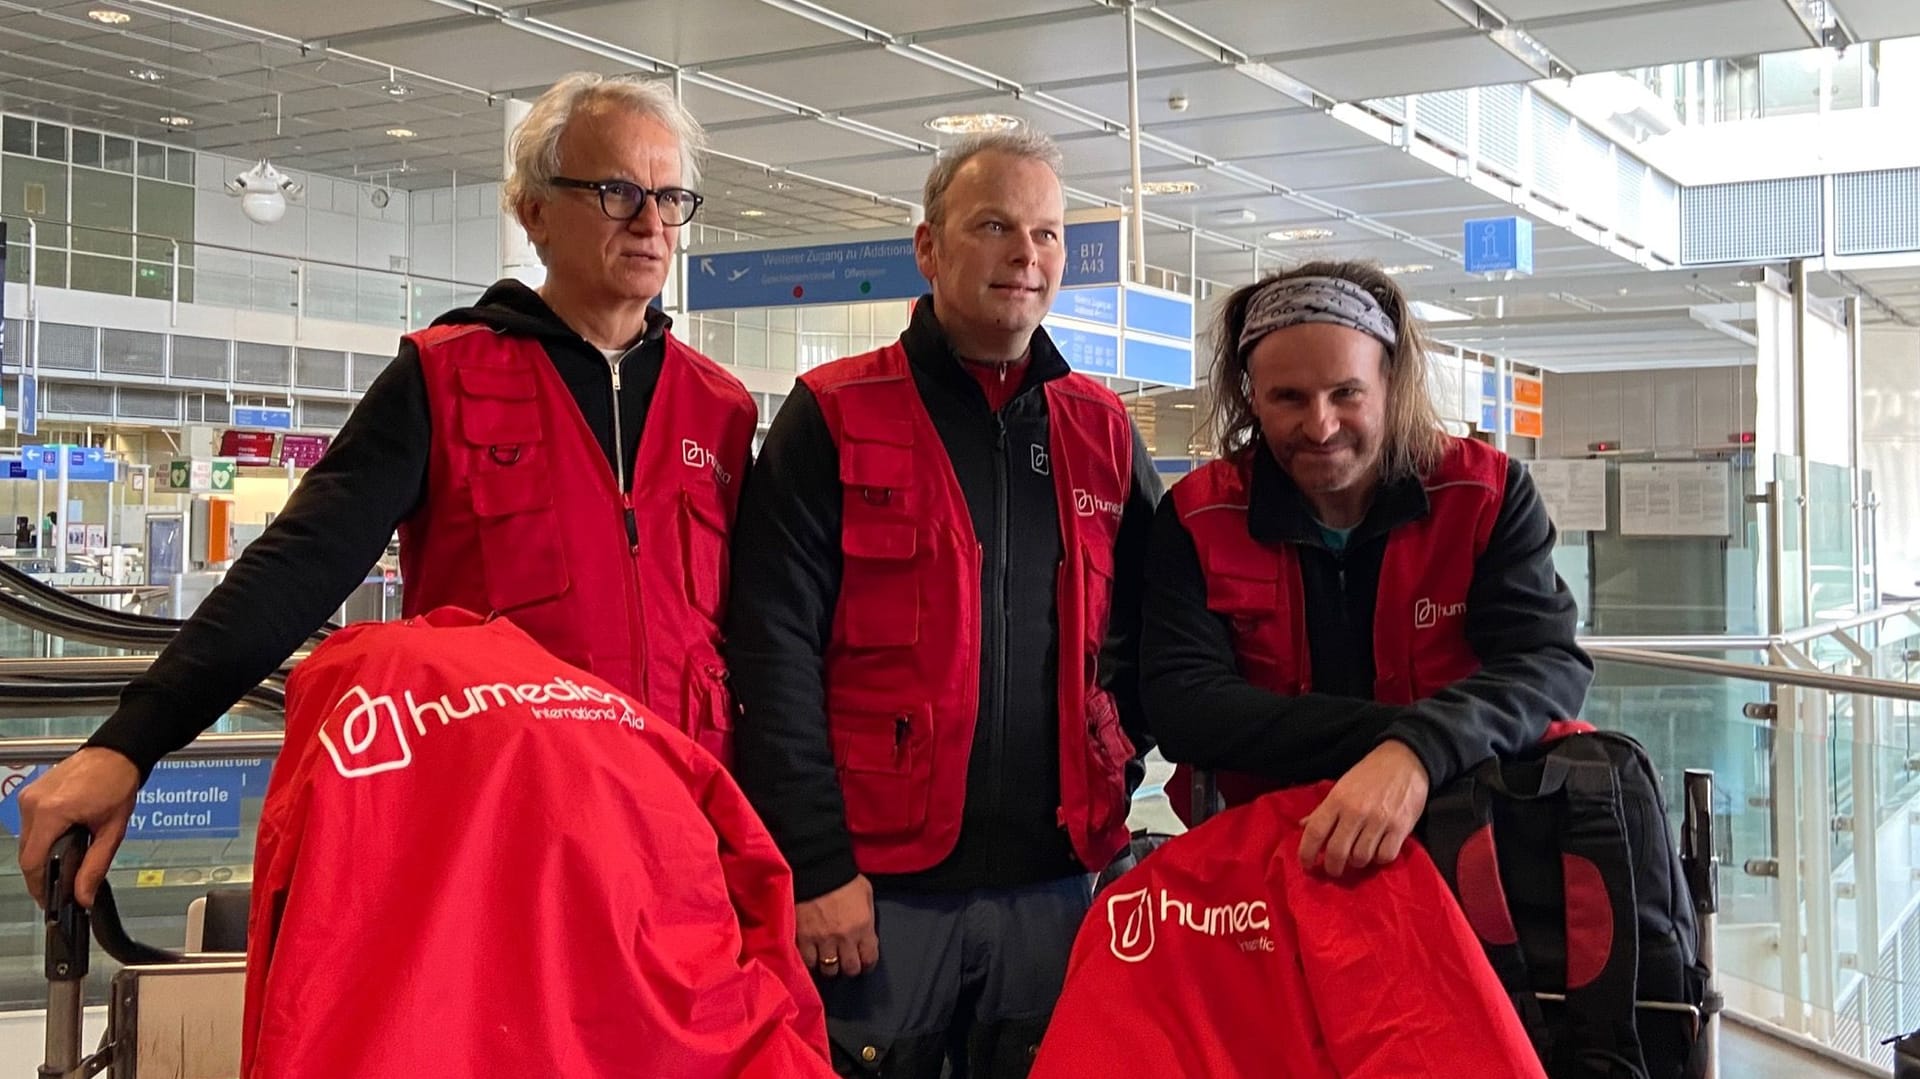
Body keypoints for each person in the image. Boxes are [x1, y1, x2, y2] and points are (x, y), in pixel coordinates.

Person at [16, 72, 755, 908]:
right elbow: (295, 569)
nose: (651, 223)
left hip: (687, 843)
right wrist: (129, 743)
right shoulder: (447, 377)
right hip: (503, 847)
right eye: (619, 191)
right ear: (535, 211)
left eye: (670, 197)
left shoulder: (720, 409)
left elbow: (769, 646)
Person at [724, 130, 1161, 1076]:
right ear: (928, 247)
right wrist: (817, 862)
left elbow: (1159, 621)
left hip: (1060, 880)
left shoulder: (1101, 429)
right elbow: (772, 653)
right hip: (878, 891)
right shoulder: (834, 415)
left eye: (1047, 234)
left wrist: (1116, 761)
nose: (1026, 255)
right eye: (995, 225)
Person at [1142, 261, 1592, 879]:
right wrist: (1407, 739)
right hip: (1263, 868)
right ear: (1251, 397)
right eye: (1288, 398)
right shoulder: (1198, 516)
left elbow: (1546, 665)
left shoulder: (1484, 495)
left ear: (1389, 381)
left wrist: (1417, 755)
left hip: (1463, 857)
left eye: (1346, 393)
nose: (1321, 426)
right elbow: (1185, 706)